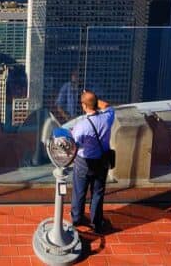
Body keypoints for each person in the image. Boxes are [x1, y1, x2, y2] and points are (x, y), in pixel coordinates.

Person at [68, 90, 114, 234]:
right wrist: (93, 99)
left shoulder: (82, 126)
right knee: (98, 193)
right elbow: (107, 105)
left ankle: (77, 218)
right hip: (102, 161)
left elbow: (74, 142)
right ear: (96, 104)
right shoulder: (108, 117)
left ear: (83, 106)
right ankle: (96, 222)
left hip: (84, 162)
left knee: (79, 191)